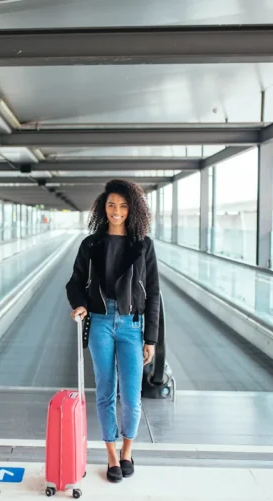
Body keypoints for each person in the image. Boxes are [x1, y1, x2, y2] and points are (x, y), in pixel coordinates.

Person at [65, 179, 161, 483]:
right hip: (101, 323)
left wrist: (151, 339)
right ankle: (110, 454)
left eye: (122, 205)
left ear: (131, 208)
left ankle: (127, 450)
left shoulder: (143, 244)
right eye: (111, 205)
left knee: (131, 396)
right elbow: (75, 282)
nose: (116, 211)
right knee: (106, 392)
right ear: (102, 208)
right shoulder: (91, 244)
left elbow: (154, 292)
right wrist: (80, 304)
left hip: (132, 326)